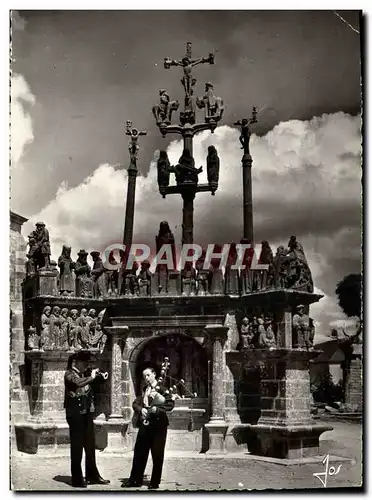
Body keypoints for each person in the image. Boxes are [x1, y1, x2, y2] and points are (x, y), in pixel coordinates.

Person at [124, 364, 174, 490]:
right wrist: (141, 410)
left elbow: (170, 404)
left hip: (158, 426)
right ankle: (135, 480)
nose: (146, 378)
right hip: (145, 424)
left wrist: (157, 409)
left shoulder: (162, 388)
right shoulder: (145, 389)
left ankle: (154, 482)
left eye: (148, 375)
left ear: (154, 374)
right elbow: (136, 403)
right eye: (144, 376)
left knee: (157, 454)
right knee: (139, 452)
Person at [64, 351, 110, 488]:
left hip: (87, 414)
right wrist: (92, 377)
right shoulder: (69, 374)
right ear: (77, 363)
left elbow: (96, 381)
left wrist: (102, 376)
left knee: (90, 446)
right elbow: (78, 383)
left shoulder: (85, 374)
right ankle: (77, 479)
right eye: (85, 363)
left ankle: (92, 476)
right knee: (77, 448)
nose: (86, 366)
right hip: (75, 416)